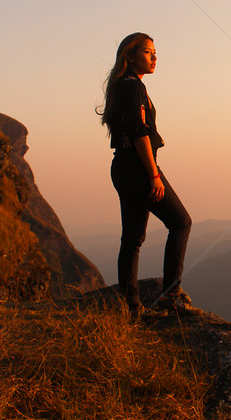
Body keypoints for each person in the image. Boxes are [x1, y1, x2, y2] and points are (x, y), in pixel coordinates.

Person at [98, 32, 193, 319]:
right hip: (139, 168)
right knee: (181, 222)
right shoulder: (134, 88)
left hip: (122, 167)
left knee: (132, 238)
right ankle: (171, 295)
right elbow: (140, 132)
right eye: (148, 52)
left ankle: (131, 309)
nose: (154, 57)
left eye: (155, 52)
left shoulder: (120, 86)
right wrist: (153, 174)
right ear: (130, 55)